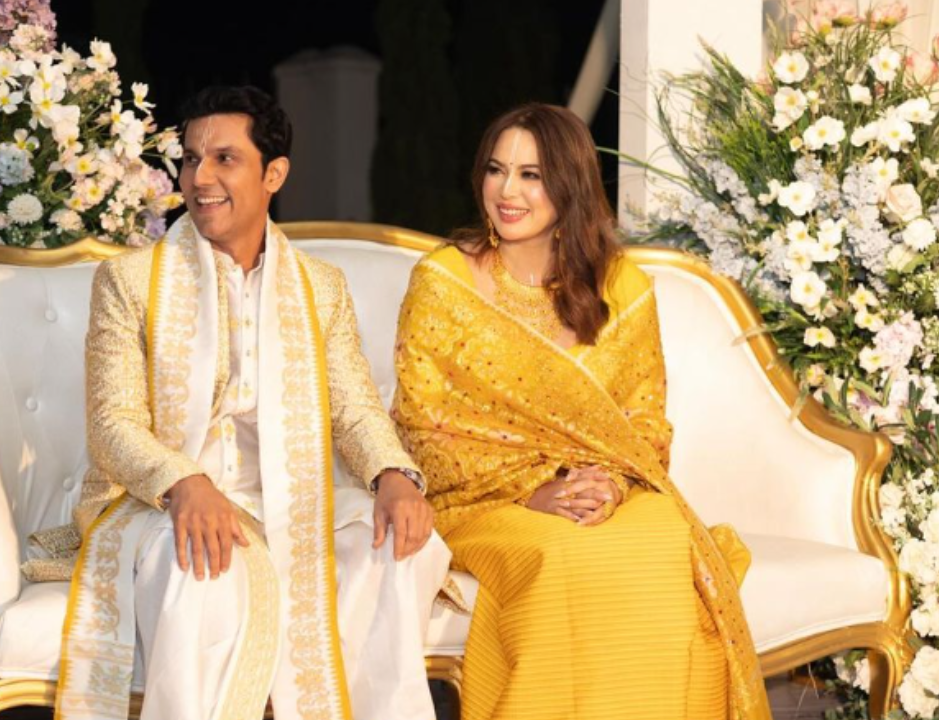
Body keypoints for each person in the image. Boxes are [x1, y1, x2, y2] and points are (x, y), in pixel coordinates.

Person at [54, 86, 451, 720]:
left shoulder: (321, 287)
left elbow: (353, 408)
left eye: (224, 159)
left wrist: (393, 475)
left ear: (274, 174)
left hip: (291, 496)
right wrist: (185, 483)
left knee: (402, 547)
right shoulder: (129, 282)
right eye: (190, 159)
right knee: (200, 563)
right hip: (161, 499)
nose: (199, 178)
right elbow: (112, 423)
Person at [390, 103, 772, 720]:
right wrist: (534, 490)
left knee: (662, 536)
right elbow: (422, 427)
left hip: (603, 489)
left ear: (570, 184)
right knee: (563, 555)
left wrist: (609, 487)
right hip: (482, 501)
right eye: (496, 170)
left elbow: (645, 423)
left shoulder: (622, 287)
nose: (507, 192)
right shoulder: (445, 281)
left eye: (531, 175)